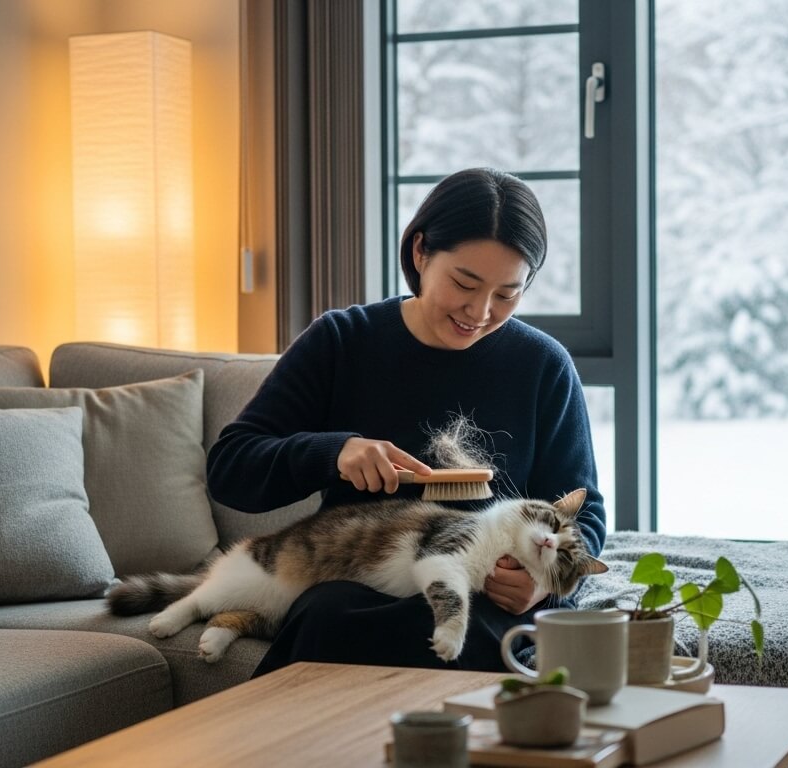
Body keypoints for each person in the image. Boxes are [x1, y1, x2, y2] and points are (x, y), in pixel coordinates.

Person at [206, 167, 607, 675]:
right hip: (357, 582)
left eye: (507, 294)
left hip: (487, 593)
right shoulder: (342, 342)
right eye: (465, 282)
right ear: (420, 252)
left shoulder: (543, 365)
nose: (480, 311)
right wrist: (334, 452)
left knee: (470, 636)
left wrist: (539, 583)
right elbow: (231, 468)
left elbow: (584, 513)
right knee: (330, 619)